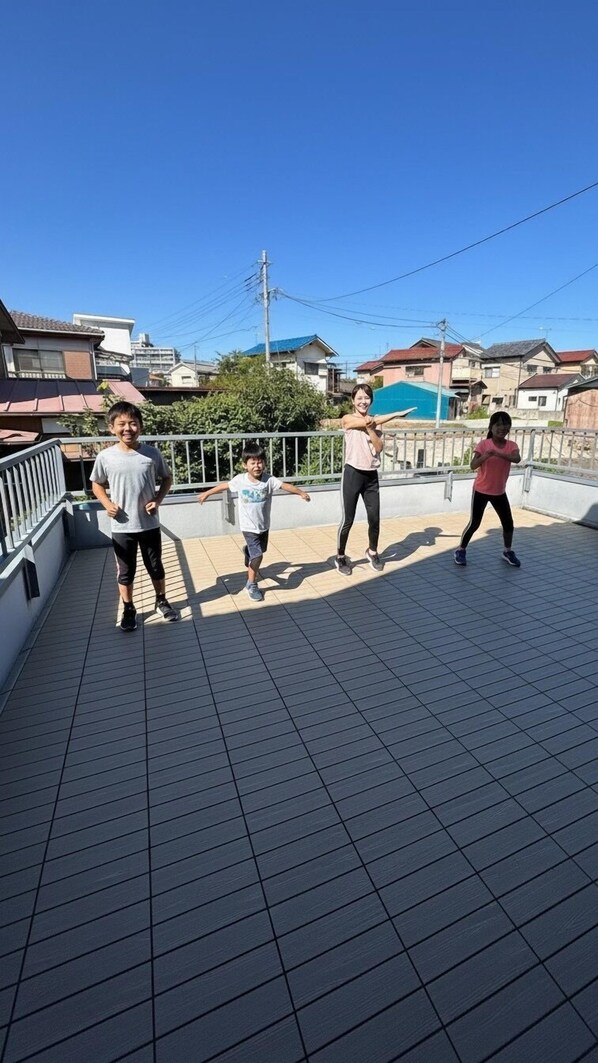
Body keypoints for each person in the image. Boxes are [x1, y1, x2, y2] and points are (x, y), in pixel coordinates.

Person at [90, 401, 179, 631]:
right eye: (121, 424)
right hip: (121, 527)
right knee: (126, 571)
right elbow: (96, 484)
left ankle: (161, 600)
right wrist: (107, 503)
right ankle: (129, 608)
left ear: (140, 426)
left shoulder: (151, 453)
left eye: (133, 423)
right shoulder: (106, 456)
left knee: (156, 566)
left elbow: (166, 478)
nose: (127, 428)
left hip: (149, 523)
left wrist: (157, 500)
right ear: (111, 427)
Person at [197, 440, 311, 601]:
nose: (257, 466)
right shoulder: (240, 480)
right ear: (245, 465)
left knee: (260, 550)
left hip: (263, 525)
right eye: (253, 463)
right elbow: (224, 486)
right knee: (258, 556)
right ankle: (251, 584)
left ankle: (248, 552)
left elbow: (284, 486)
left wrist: (301, 493)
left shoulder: (268, 480)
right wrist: (206, 493)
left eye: (260, 462)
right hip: (248, 527)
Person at [335, 384, 416, 575]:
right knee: (348, 519)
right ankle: (340, 556)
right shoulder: (348, 418)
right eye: (359, 398)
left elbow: (379, 448)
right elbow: (352, 424)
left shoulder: (377, 422)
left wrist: (373, 427)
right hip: (352, 473)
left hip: (371, 476)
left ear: (371, 400)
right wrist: (394, 414)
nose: (363, 401)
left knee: (374, 519)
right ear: (353, 401)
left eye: (367, 398)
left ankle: (372, 551)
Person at [454, 410, 521, 568]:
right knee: (475, 523)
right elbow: (473, 465)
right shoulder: (484, 445)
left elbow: (516, 459)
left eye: (506, 424)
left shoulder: (512, 446)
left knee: (508, 523)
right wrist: (486, 455)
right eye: (498, 424)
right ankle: (461, 550)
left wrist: (498, 453)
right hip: (481, 490)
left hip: (499, 492)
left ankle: (507, 551)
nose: (502, 428)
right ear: (491, 427)